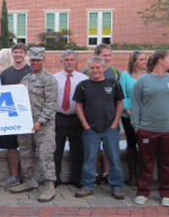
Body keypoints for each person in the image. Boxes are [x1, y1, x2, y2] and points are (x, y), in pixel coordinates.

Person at [131, 50, 169, 207]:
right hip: (147, 130)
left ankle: (167, 194)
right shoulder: (143, 81)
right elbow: (135, 105)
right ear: (160, 60)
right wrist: (137, 127)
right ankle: (142, 192)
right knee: (145, 162)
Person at [10, 47, 58, 203]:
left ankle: (49, 185)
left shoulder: (49, 80)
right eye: (33, 59)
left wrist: (40, 121)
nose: (35, 62)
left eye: (38, 59)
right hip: (26, 124)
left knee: (45, 155)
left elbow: (51, 104)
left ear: (43, 60)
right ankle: (28, 181)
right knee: (25, 153)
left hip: (43, 125)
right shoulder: (26, 78)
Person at [74, 56, 125, 200]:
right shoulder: (83, 85)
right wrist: (85, 124)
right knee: (89, 158)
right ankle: (87, 185)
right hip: (91, 129)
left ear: (103, 68)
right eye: (92, 68)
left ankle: (117, 187)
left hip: (110, 128)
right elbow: (78, 105)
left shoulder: (113, 84)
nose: (95, 71)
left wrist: (115, 123)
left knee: (114, 158)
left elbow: (120, 103)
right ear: (89, 70)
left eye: (98, 67)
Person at [81, 43, 120, 184]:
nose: (108, 58)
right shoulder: (86, 72)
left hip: (110, 120)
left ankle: (108, 174)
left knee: (112, 153)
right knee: (92, 153)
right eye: (105, 55)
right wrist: (85, 123)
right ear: (97, 56)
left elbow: (119, 99)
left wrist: (116, 121)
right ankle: (94, 175)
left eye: (110, 55)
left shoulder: (115, 73)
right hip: (91, 121)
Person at [51, 50, 87, 188]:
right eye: (67, 60)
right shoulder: (54, 78)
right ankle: (55, 178)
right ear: (62, 62)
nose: (70, 62)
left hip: (77, 118)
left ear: (76, 61)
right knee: (56, 150)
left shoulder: (83, 80)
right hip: (59, 117)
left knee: (77, 151)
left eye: (72, 59)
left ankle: (76, 178)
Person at [0, 43, 31, 187]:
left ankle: (29, 177)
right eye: (15, 52)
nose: (18, 55)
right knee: (10, 147)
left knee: (27, 147)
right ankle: (14, 176)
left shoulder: (32, 72)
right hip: (9, 116)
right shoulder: (5, 73)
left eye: (20, 52)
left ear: (26, 54)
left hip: (27, 116)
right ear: (12, 54)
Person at [118, 50, 147, 187]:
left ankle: (144, 175)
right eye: (141, 59)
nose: (144, 62)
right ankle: (132, 175)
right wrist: (129, 111)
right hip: (128, 115)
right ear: (134, 61)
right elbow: (122, 94)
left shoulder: (148, 76)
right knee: (131, 143)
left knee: (145, 144)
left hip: (146, 116)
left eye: (145, 59)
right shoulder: (125, 75)